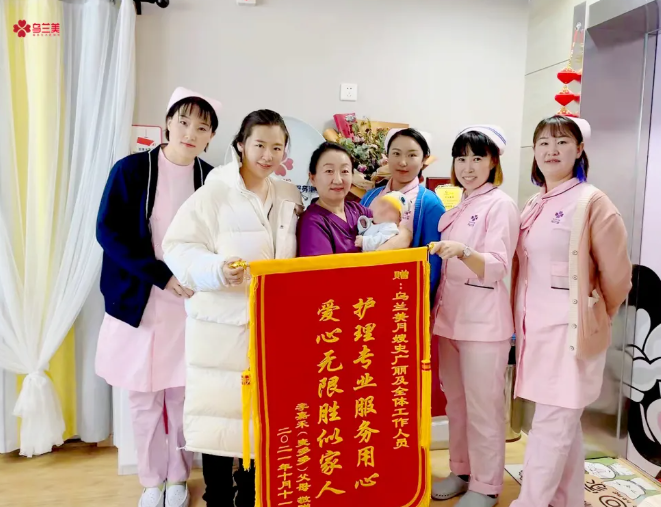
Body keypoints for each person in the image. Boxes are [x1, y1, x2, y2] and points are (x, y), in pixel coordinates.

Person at [162, 110, 302, 507]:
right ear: (241, 144)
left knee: (263, 416)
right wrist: (217, 270)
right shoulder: (214, 194)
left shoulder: (288, 195)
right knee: (220, 417)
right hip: (220, 326)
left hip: (270, 327)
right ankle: (219, 497)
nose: (268, 155)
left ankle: (253, 494)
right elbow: (177, 247)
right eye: (259, 145)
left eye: (277, 147)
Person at [95, 87, 221, 507]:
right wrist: (160, 276)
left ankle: (179, 477)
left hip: (190, 303)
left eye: (201, 127)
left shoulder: (212, 180)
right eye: (183, 122)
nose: (190, 133)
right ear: (167, 123)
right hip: (141, 299)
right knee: (143, 396)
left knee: (183, 394)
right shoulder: (132, 170)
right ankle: (151, 481)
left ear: (210, 136)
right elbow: (108, 232)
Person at [510, 115, 631, 507]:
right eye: (543, 143)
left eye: (562, 142)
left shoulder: (592, 202)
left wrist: (596, 315)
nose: (551, 150)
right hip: (536, 332)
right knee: (562, 425)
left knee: (550, 427)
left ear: (579, 150)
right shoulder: (534, 203)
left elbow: (618, 277)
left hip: (570, 335)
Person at [430, 125, 519, 507]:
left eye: (477, 158)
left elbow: (497, 266)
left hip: (483, 326)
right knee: (456, 403)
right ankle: (462, 469)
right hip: (450, 320)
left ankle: (487, 485)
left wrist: (464, 251)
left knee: (484, 408)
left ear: (493, 162)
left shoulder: (501, 205)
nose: (467, 167)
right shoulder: (460, 204)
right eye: (461, 158)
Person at [360, 128, 446, 416]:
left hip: (403, 304)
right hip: (367, 299)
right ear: (386, 156)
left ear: (424, 159)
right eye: (396, 153)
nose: (403, 162)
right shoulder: (371, 196)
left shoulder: (429, 203)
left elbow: (433, 260)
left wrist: (421, 303)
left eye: (412, 155)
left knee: (399, 374)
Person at [297, 142, 410, 256]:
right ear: (312, 178)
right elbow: (323, 267)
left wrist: (380, 251)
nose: (338, 180)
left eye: (345, 171)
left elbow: (404, 233)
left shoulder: (358, 210)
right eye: (329, 171)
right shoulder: (312, 223)